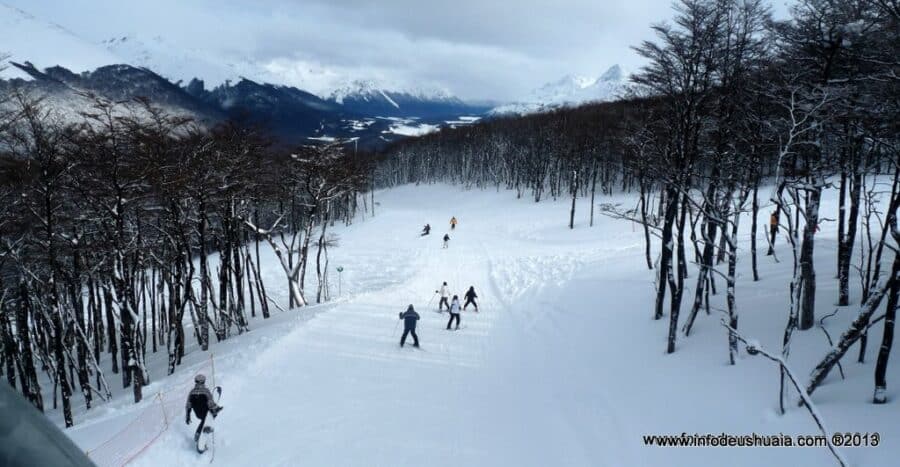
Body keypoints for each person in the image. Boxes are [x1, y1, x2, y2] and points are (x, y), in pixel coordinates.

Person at [185, 374, 223, 442]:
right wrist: (215, 410)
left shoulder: (191, 392)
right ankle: (199, 432)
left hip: (197, 413)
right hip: (206, 411)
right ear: (203, 382)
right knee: (209, 417)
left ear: (195, 381)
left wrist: (188, 416)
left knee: (204, 419)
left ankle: (205, 429)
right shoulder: (206, 391)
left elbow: (188, 405)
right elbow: (210, 403)